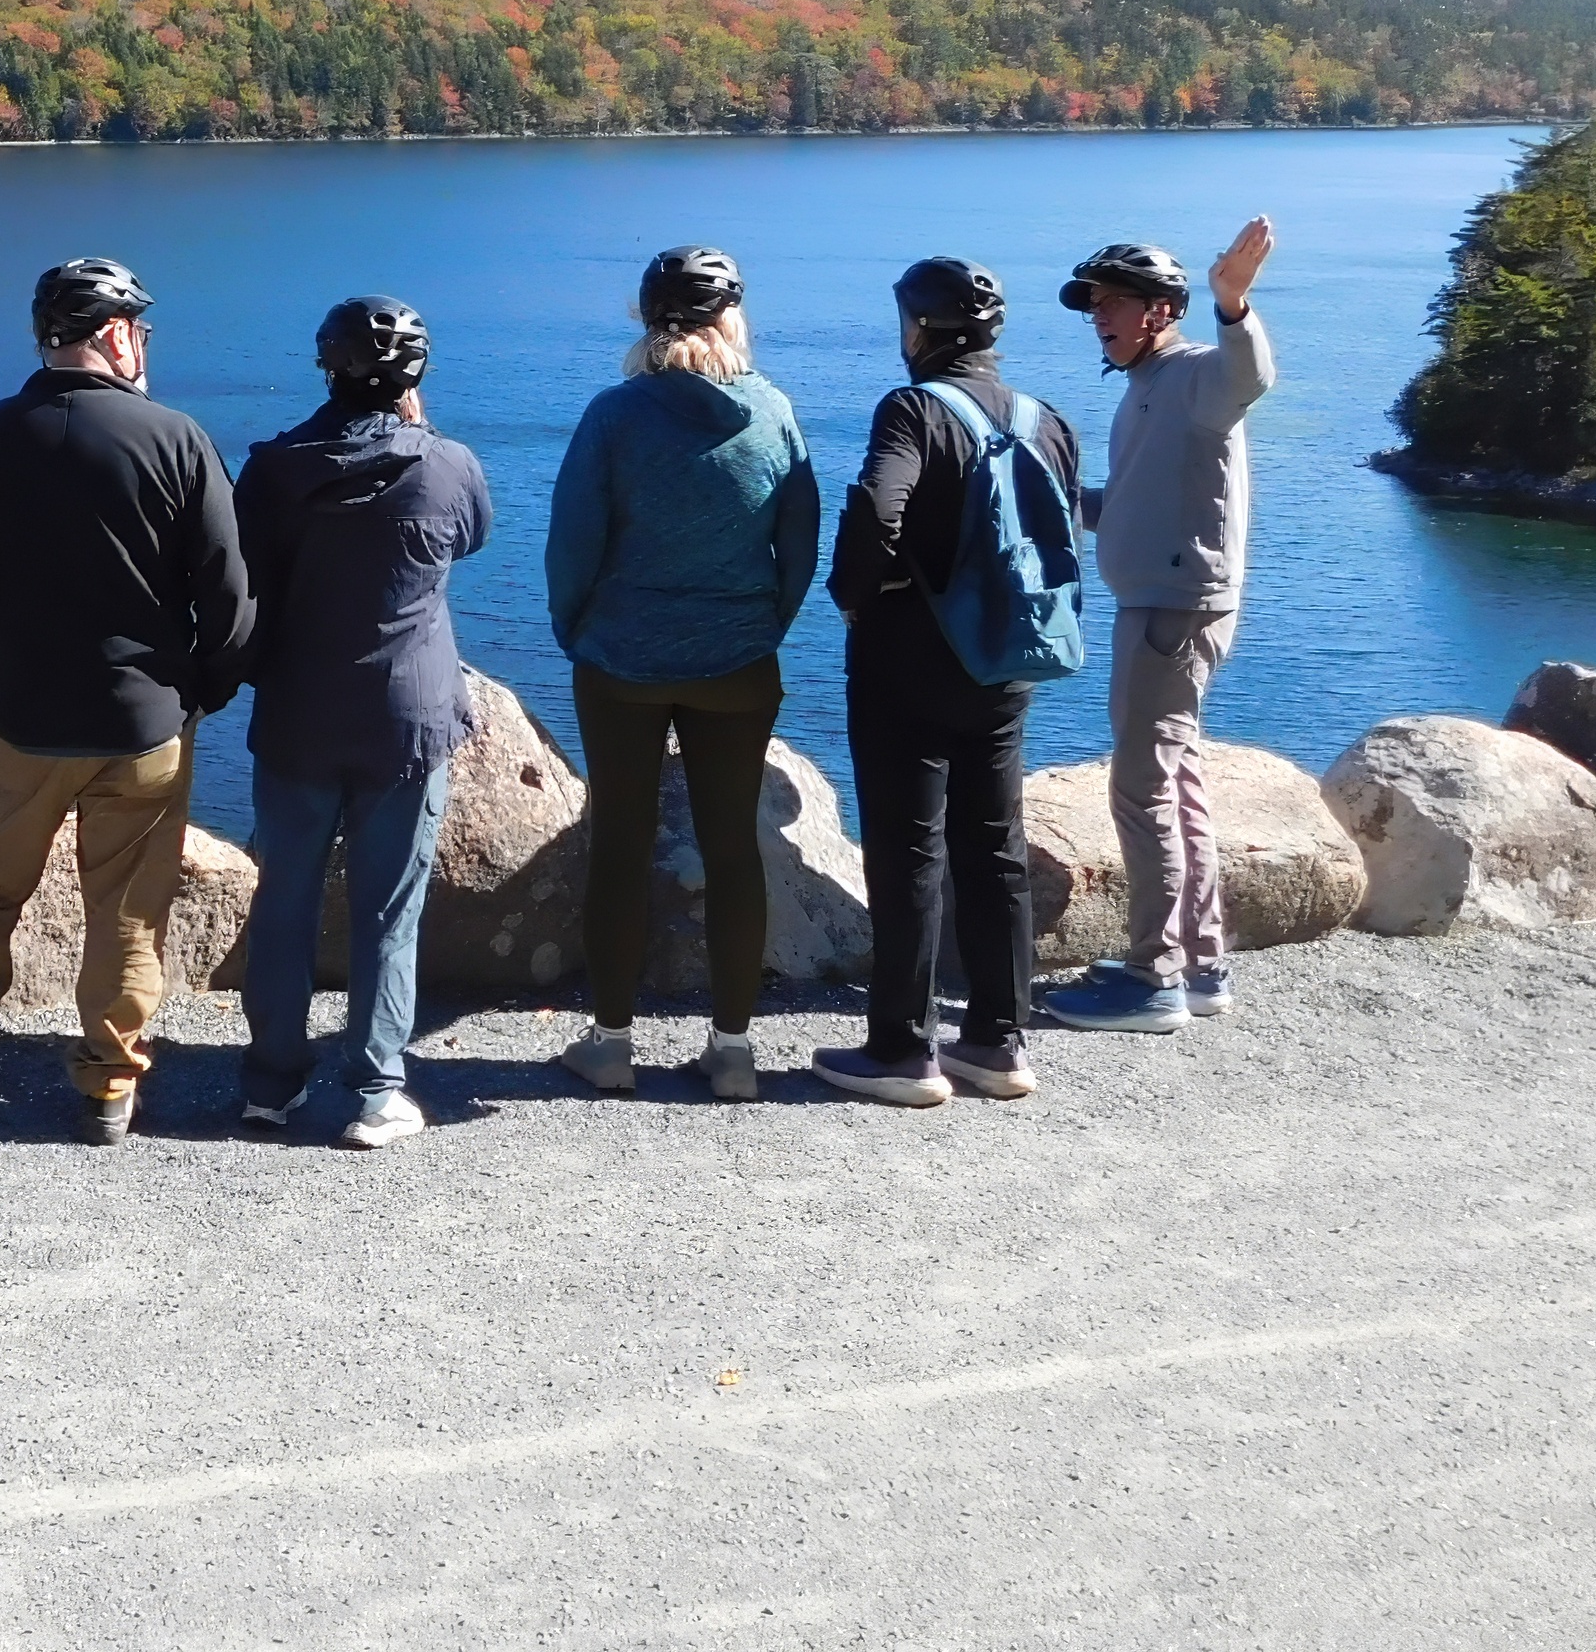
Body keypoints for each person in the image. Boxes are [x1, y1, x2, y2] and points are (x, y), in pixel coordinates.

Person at [0, 257, 255, 1143]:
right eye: (138, 327)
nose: (143, 342)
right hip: (142, 723)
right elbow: (227, 594)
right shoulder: (177, 438)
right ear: (112, 335)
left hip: (19, 717)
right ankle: (109, 1085)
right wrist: (199, 693)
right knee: (130, 907)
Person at [542, 245, 819, 1103]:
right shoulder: (772, 413)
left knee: (619, 845)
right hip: (738, 660)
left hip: (620, 662)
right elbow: (799, 547)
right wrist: (760, 624)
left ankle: (611, 1045)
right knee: (733, 847)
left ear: (647, 321)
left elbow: (572, 545)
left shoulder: (616, 416)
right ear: (732, 317)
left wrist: (578, 630)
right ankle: (733, 1054)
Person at [817, 256, 1082, 1109]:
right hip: (1008, 660)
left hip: (910, 660)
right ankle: (998, 1044)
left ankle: (902, 1049)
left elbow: (875, 507)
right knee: (995, 846)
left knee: (909, 850)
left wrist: (853, 598)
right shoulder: (1048, 420)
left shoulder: (915, 409)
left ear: (921, 329)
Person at [231, 296, 492, 1151]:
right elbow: (471, 539)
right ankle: (377, 1087)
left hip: (298, 712)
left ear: (327, 366)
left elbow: (243, 573)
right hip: (407, 720)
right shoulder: (448, 465)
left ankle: (270, 1081)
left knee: (284, 900)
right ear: (416, 377)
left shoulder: (272, 470)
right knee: (389, 908)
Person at [1043, 219, 1282, 1036]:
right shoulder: (1148, 385)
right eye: (1095, 304)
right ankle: (1199, 960)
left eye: (1114, 301)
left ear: (1161, 310)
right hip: (1165, 605)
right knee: (1176, 783)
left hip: (1172, 616)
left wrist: (1234, 302)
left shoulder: (1192, 375)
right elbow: (1141, 504)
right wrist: (1063, 500)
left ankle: (1153, 979)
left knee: (1140, 787)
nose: (1099, 314)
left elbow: (1249, 377)